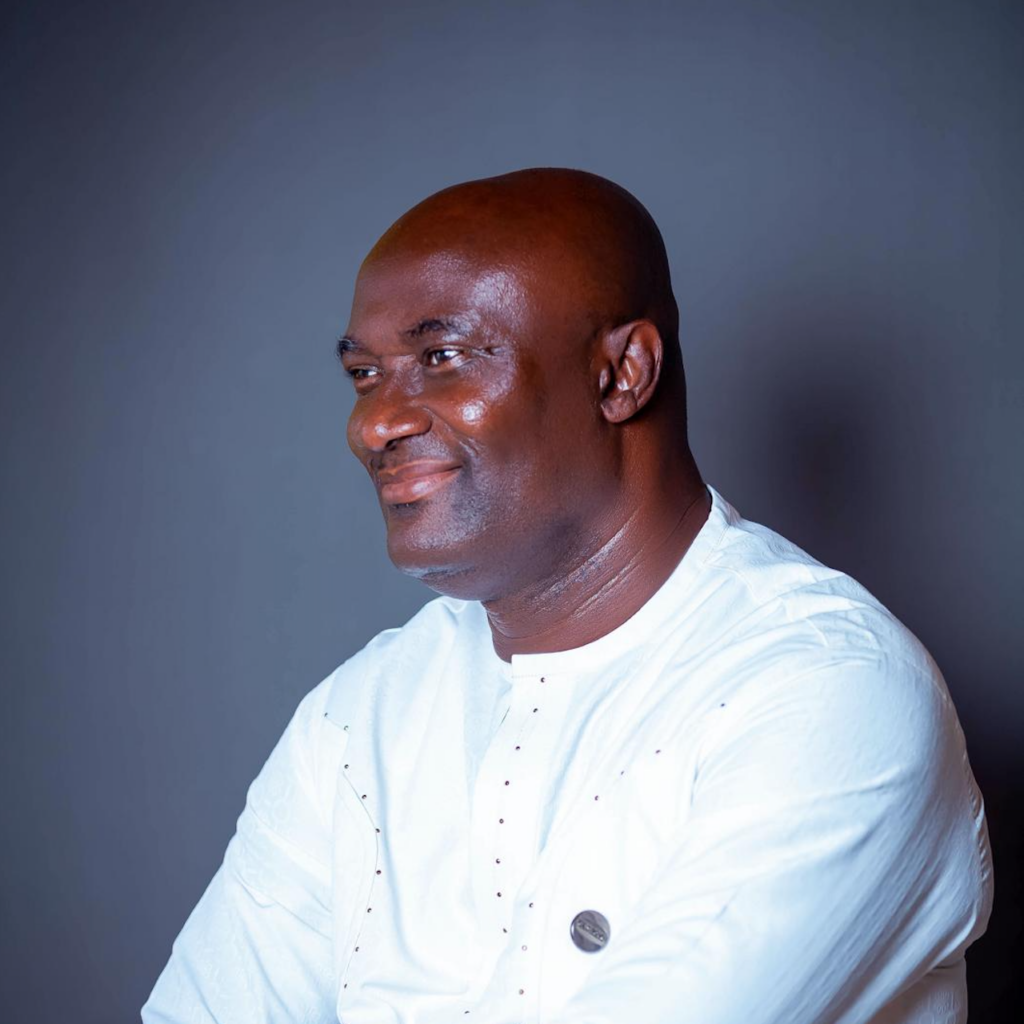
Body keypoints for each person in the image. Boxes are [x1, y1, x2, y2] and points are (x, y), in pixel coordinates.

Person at [142, 168, 992, 1024]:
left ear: (622, 374)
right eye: (365, 374)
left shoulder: (830, 691)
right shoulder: (358, 717)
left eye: (442, 358)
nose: (374, 424)